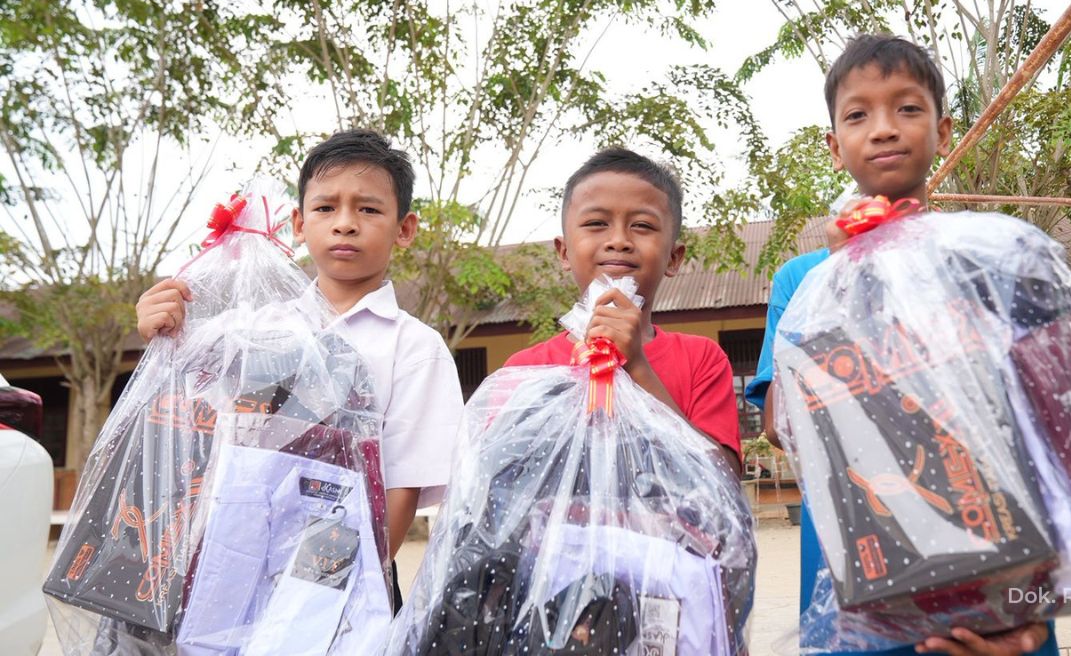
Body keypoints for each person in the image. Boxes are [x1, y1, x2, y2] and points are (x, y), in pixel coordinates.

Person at [745, 34, 1060, 656]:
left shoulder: (989, 258)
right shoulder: (803, 282)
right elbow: (785, 426)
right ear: (835, 147)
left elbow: (1049, 410)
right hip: (861, 572)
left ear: (942, 129)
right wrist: (847, 283)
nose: (884, 128)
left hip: (995, 567)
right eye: (858, 114)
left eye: (908, 109)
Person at [135, 129, 463, 611]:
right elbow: (191, 419)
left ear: (405, 228)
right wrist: (163, 326)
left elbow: (400, 492)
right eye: (326, 207)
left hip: (345, 588)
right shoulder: (252, 331)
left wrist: (315, 596)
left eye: (369, 209)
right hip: (235, 572)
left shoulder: (414, 347)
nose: (345, 224)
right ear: (297, 222)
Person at [504, 147, 742, 473]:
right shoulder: (526, 370)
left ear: (673, 258)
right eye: (597, 223)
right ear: (563, 252)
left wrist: (638, 367)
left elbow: (724, 481)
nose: (619, 240)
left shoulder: (702, 360)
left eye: (642, 226)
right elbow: (497, 481)